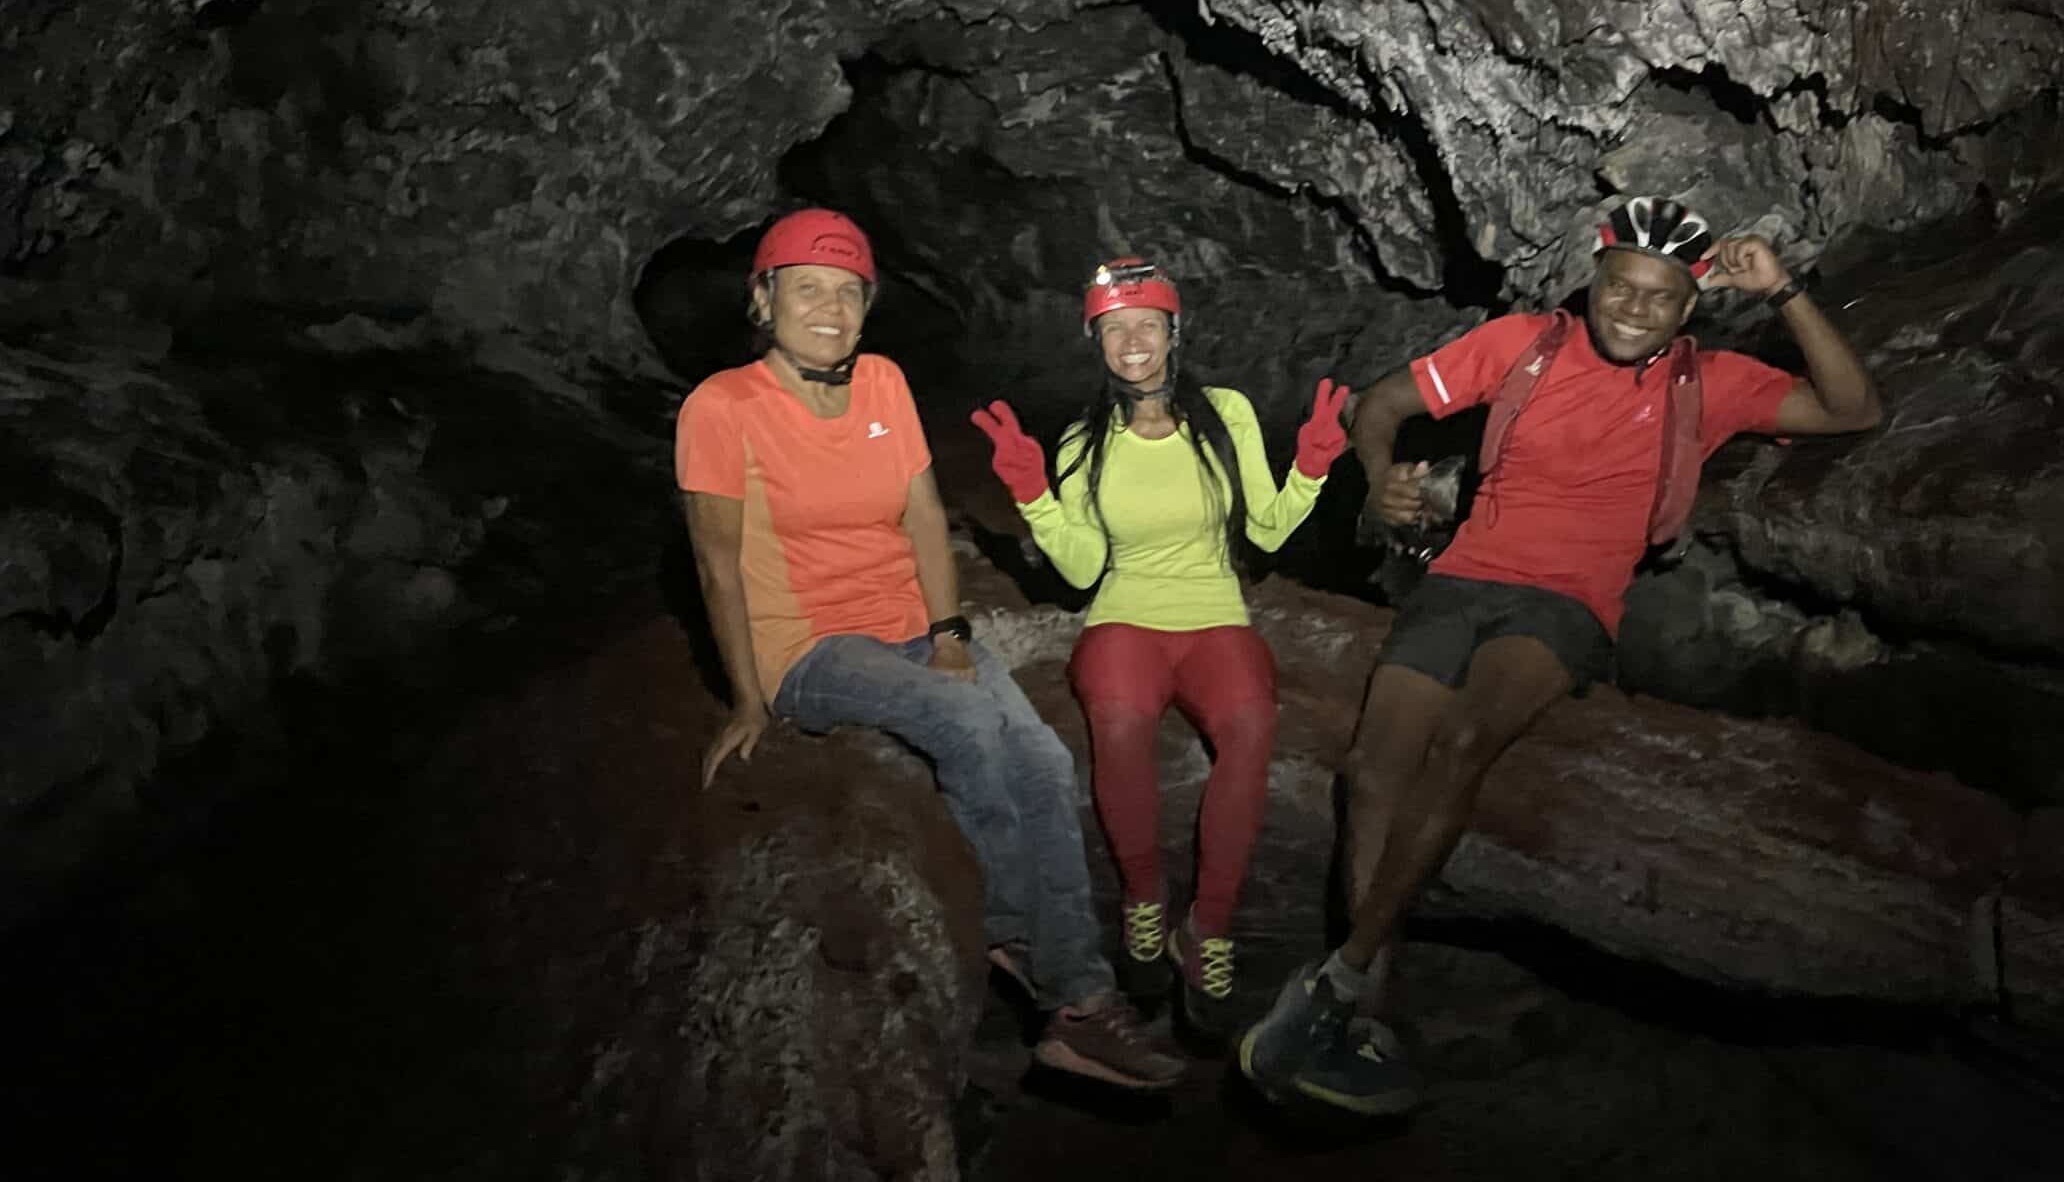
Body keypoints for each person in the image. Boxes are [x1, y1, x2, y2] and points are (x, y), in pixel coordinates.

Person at [1237, 197, 1884, 1114]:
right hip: (1459, 581)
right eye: (1621, 288)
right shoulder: (1522, 345)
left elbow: (1854, 410)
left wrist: (1785, 290)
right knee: (1372, 769)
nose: (1634, 309)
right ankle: (1363, 1014)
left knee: (1463, 744)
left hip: (1569, 604)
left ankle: (1339, 979)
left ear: (1686, 308)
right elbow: (1379, 404)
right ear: (1595, 282)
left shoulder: (1715, 382)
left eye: (1659, 298)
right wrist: (1382, 477)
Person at [679, 208, 1184, 1092]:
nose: (831, 309)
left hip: (909, 620)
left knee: (1039, 757)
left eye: (848, 292)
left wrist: (950, 632)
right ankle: (1020, 939)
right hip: (808, 646)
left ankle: (1080, 1006)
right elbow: (716, 565)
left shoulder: (880, 383)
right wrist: (750, 698)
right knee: (960, 719)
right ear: (764, 300)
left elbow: (920, 514)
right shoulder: (722, 407)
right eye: (808, 289)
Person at [971, 257, 1349, 1036]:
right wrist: (1034, 494)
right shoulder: (1085, 438)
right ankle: (1145, 900)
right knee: (1118, 721)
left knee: (1250, 726)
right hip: (1125, 613)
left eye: (1147, 324)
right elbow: (1079, 569)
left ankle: (1206, 927)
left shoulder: (1227, 413)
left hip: (1214, 610)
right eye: (1115, 329)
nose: (1133, 341)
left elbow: (1267, 528)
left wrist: (1310, 469)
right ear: (1096, 341)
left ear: (1175, 332)